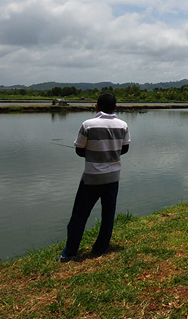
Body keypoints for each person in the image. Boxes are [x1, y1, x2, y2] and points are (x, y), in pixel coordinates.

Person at [58, 92, 130, 262]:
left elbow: (79, 150)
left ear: (96, 106)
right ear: (115, 107)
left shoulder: (88, 124)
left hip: (92, 177)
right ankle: (101, 248)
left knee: (79, 216)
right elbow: (124, 149)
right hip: (113, 177)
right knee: (108, 215)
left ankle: (70, 253)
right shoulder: (123, 125)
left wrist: (93, 155)